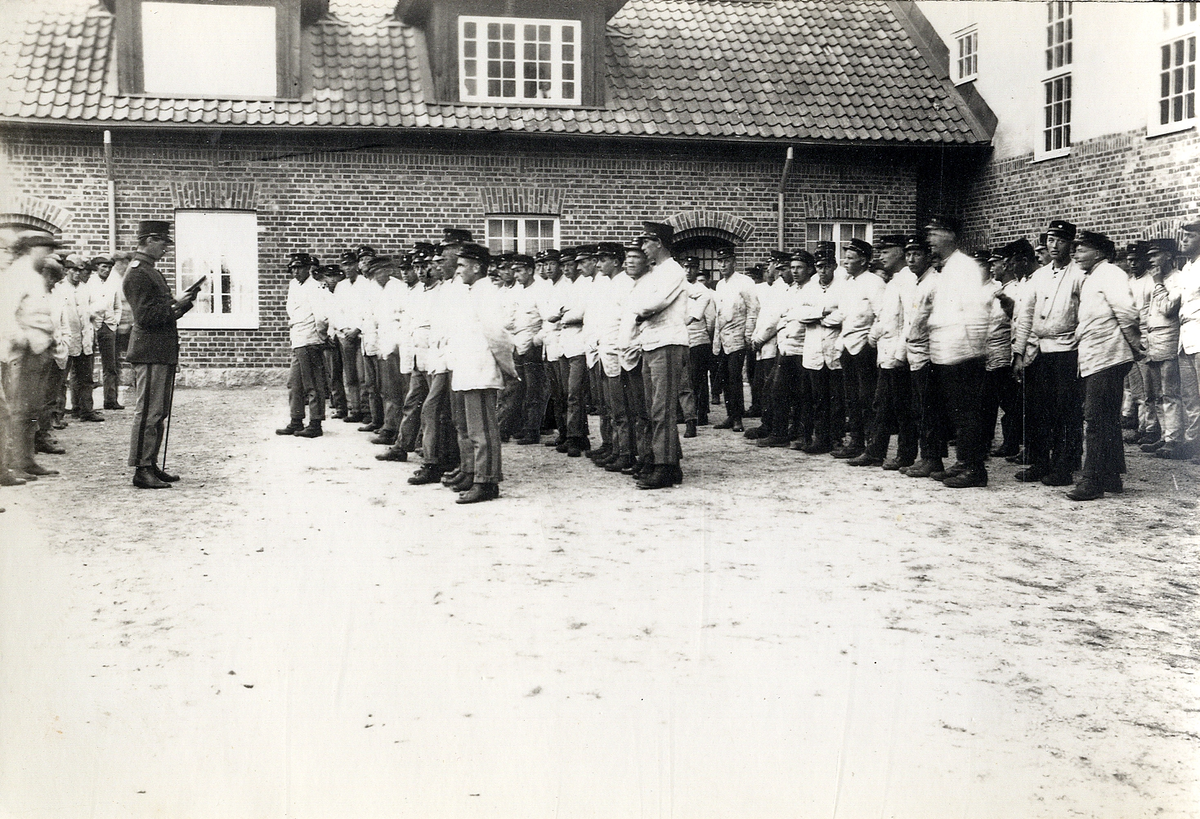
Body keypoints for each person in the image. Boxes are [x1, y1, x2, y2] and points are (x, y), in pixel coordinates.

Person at [908, 215, 995, 488]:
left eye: (935, 233)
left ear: (950, 236)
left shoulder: (965, 267)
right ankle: (963, 462)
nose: (930, 239)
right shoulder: (946, 268)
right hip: (945, 351)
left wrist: (973, 350)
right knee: (955, 413)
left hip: (963, 352)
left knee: (967, 413)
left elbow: (978, 312)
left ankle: (974, 469)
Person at [1066, 231, 1140, 500]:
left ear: (1098, 253)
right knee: (1107, 418)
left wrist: (1135, 346)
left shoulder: (1110, 273)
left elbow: (1127, 313)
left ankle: (1092, 481)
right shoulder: (1094, 276)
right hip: (1097, 356)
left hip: (1108, 356)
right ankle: (1110, 476)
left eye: (1081, 249)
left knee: (1096, 418)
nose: (1075, 254)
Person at [1012, 219, 1086, 486]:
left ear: (1070, 245)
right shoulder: (1039, 276)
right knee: (1038, 410)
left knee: (1065, 411)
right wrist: (1019, 353)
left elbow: (1084, 316)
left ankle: (1063, 465)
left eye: (1061, 241)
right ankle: (1040, 461)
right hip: (1039, 350)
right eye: (1051, 241)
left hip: (1067, 350)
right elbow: (1025, 316)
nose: (1054, 246)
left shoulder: (1079, 275)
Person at [123, 219, 196, 489]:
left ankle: (150, 463)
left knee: (158, 412)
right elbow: (146, 316)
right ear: (150, 240)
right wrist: (176, 305)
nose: (166, 247)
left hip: (160, 350)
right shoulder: (138, 273)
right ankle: (141, 469)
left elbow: (159, 310)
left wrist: (181, 303)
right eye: (163, 242)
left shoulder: (150, 271)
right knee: (148, 412)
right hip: (150, 351)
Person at [446, 243, 517, 503]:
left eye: (462, 265)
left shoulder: (487, 293)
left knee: (483, 430)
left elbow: (497, 336)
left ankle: (487, 482)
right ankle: (473, 472)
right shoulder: (471, 292)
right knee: (469, 427)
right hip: (467, 369)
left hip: (480, 369)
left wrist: (507, 368)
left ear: (477, 267)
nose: (458, 270)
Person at [629, 221, 690, 489]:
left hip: (668, 342)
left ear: (659, 243)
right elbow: (637, 302)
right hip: (651, 342)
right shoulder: (656, 273)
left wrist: (641, 311)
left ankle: (664, 467)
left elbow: (651, 304)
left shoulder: (673, 271)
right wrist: (641, 309)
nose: (643, 248)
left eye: (646, 242)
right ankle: (668, 462)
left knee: (661, 409)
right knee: (653, 406)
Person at [1, 232, 62, 483]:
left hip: (40, 349)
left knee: (33, 409)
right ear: (31, 249)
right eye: (45, 250)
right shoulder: (17, 275)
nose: (47, 256)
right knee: (20, 410)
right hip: (25, 352)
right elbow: (5, 313)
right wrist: (22, 339)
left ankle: (27, 459)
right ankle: (15, 463)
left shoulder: (34, 276)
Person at [858, 235, 917, 469]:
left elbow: (910, 321)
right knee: (882, 404)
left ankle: (905, 455)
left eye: (886, 251)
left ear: (900, 252)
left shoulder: (909, 280)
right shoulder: (894, 281)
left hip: (898, 356)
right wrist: (873, 336)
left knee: (902, 408)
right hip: (886, 354)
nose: (881, 256)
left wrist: (900, 355)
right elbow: (885, 316)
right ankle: (875, 451)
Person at [1138, 238, 1183, 457]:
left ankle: (1174, 439)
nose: (1151, 260)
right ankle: (1164, 436)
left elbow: (1168, 308)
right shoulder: (1154, 279)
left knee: (1170, 393)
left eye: (1155, 255)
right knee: (1156, 394)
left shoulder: (1178, 279)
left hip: (1168, 341)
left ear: (1168, 256)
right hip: (1152, 342)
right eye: (1149, 256)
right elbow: (1146, 312)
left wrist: (1157, 284)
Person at [276, 253, 328, 438]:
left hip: (310, 339)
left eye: (300, 268)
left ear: (308, 269)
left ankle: (315, 423)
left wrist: (321, 337)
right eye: (293, 268)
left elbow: (321, 317)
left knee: (312, 383)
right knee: (294, 383)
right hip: (297, 339)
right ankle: (296, 420)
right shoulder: (294, 285)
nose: (296, 272)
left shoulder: (314, 287)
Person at [713, 246, 758, 432]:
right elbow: (718, 315)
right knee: (724, 378)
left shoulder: (745, 282)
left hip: (738, 336)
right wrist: (716, 340)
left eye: (727, 261)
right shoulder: (720, 285)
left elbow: (753, 309)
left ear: (734, 262)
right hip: (723, 338)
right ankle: (730, 415)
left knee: (734, 377)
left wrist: (748, 334)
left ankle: (738, 417)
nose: (723, 265)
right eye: (720, 261)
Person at [88, 255, 124, 410]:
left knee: (110, 365)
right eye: (103, 267)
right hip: (91, 326)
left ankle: (110, 400)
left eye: (109, 267)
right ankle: (83, 404)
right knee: (86, 366)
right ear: (96, 267)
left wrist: (115, 322)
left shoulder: (113, 284)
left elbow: (118, 306)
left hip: (108, 327)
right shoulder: (89, 283)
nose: (107, 270)